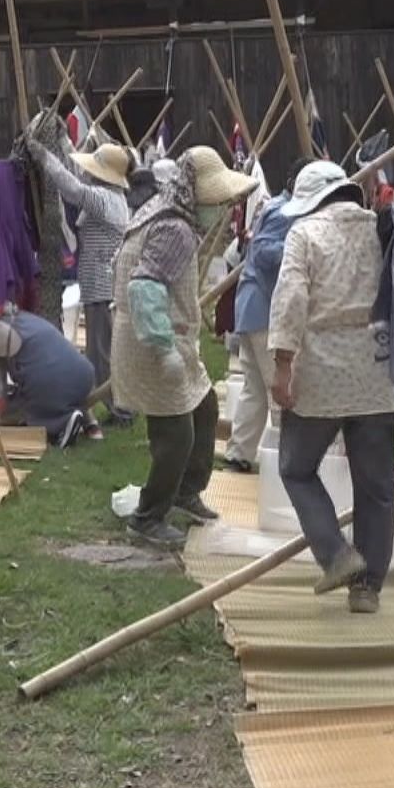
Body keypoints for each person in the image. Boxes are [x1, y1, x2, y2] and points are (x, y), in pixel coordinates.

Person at [268, 161, 394, 614]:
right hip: (378, 369)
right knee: (376, 486)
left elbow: (290, 299)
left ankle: (337, 554)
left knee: (296, 467)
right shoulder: (385, 228)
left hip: (321, 368)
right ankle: (368, 588)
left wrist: (282, 365)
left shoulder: (304, 234)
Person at [113, 146, 258, 547]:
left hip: (163, 335)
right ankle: (148, 516)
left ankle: (185, 491)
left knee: (205, 408)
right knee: (175, 434)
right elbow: (144, 287)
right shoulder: (173, 228)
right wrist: (163, 348)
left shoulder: (161, 211)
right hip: (154, 340)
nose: (220, 211)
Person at [31, 136, 135, 425]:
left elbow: (72, 187)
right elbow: (76, 176)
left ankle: (122, 409)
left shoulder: (105, 200)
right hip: (100, 284)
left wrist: (44, 156)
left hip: (102, 286)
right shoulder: (111, 197)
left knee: (101, 356)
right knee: (101, 352)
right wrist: (62, 143)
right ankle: (118, 405)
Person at [223, 159, 307, 473]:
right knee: (278, 389)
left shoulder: (281, 208)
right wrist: (302, 249)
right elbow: (266, 251)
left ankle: (239, 453)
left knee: (255, 389)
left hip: (254, 307)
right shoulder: (285, 212)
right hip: (263, 310)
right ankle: (287, 463)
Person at [0, 305, 97, 447]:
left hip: (55, 383)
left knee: (26, 413)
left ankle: (61, 425)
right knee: (23, 396)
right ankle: (89, 421)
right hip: (85, 374)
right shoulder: (22, 318)